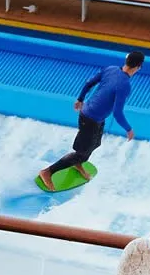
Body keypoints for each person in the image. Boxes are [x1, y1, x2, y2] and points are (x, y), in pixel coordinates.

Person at [37, 51, 144, 191]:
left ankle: (78, 163)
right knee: (82, 152)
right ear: (138, 67)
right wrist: (128, 129)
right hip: (90, 119)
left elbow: (89, 82)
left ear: (126, 60)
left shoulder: (110, 69)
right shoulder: (124, 85)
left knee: (95, 144)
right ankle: (48, 172)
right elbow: (117, 113)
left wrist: (80, 98)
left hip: (93, 116)